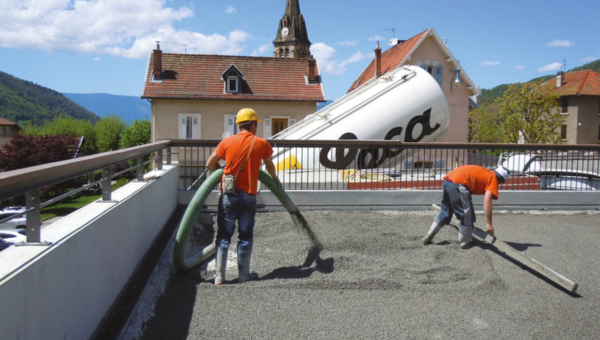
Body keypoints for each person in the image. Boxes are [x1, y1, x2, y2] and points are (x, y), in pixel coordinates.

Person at [206, 108, 282, 285]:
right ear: (254, 125)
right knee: (245, 236)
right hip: (249, 195)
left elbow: (209, 163)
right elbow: (269, 166)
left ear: (238, 124)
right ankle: (243, 276)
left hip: (229, 195)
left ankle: (219, 277)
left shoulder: (227, 142)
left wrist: (222, 174)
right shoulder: (262, 143)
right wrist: (275, 179)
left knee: (224, 236)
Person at [422, 164, 510, 249]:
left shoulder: (487, 173)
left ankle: (429, 236)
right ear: (501, 180)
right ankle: (465, 243)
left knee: (446, 212)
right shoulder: (493, 179)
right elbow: (487, 202)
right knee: (467, 215)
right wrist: (489, 225)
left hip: (448, 182)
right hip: (459, 185)